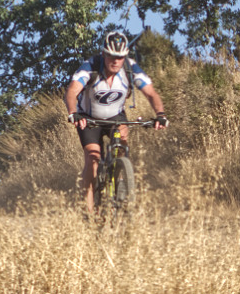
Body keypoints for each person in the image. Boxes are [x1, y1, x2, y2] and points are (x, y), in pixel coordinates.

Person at [65, 30, 167, 214]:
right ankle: (89, 213)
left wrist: (160, 114)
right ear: (103, 53)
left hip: (115, 116)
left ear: (125, 56)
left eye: (120, 57)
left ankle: (121, 179)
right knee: (93, 159)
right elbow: (72, 91)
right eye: (111, 56)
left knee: (122, 147)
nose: (115, 61)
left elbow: (151, 93)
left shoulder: (130, 68)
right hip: (88, 118)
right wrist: (73, 113)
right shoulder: (90, 67)